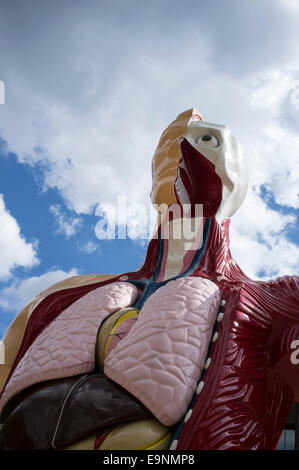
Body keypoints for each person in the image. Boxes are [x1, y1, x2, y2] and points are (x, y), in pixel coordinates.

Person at [0, 109, 298, 450]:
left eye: (209, 137)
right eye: (170, 144)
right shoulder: (54, 300)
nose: (181, 144)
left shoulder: (273, 303)